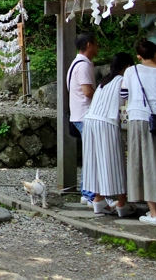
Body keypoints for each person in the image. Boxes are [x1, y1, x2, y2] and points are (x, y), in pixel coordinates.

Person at [81, 52, 136, 216]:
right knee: (115, 162)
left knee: (96, 161)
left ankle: (98, 199)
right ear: (127, 67)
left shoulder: (104, 81)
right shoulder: (122, 81)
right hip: (107, 122)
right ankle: (121, 202)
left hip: (90, 120)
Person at [120, 39, 156, 226]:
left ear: (139, 56)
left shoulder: (132, 71)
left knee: (144, 162)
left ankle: (153, 212)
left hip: (139, 118)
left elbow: (124, 95)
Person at [68, 32, 98, 202]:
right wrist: (102, 94)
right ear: (89, 45)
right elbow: (87, 92)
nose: (97, 47)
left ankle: (87, 190)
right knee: (91, 155)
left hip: (78, 113)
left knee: (90, 154)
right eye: (96, 43)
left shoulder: (76, 63)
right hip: (85, 114)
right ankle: (88, 193)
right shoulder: (84, 65)